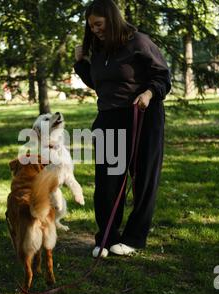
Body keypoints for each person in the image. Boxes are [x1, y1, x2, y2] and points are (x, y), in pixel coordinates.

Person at [73, 0, 171, 257]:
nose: (94, 30)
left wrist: (149, 94)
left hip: (142, 116)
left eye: (98, 24)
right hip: (108, 120)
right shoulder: (100, 49)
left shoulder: (139, 42)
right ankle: (106, 237)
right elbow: (100, 84)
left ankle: (134, 238)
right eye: (90, 26)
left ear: (112, 19)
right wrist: (80, 62)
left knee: (143, 179)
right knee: (107, 181)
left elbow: (162, 76)